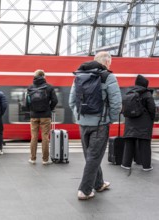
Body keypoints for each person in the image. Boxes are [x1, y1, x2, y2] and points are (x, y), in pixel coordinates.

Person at [69, 51, 122, 200]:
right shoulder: (108, 76)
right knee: (94, 156)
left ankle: (98, 184)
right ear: (106, 62)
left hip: (83, 123)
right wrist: (109, 119)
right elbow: (116, 104)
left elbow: (71, 101)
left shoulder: (78, 76)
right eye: (110, 63)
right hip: (100, 124)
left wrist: (79, 117)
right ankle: (85, 191)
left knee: (91, 156)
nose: (110, 65)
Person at [122, 75, 156, 171]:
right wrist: (151, 119)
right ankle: (146, 166)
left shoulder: (129, 92)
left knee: (129, 142)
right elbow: (152, 108)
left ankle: (126, 164)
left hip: (129, 123)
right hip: (144, 124)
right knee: (144, 143)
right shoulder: (146, 94)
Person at [26, 69, 58, 165]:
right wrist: (49, 108)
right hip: (45, 115)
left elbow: (27, 102)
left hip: (34, 116)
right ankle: (45, 160)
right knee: (45, 137)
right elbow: (55, 100)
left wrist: (31, 110)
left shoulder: (30, 87)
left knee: (34, 137)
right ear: (44, 76)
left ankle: (32, 159)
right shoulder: (49, 87)